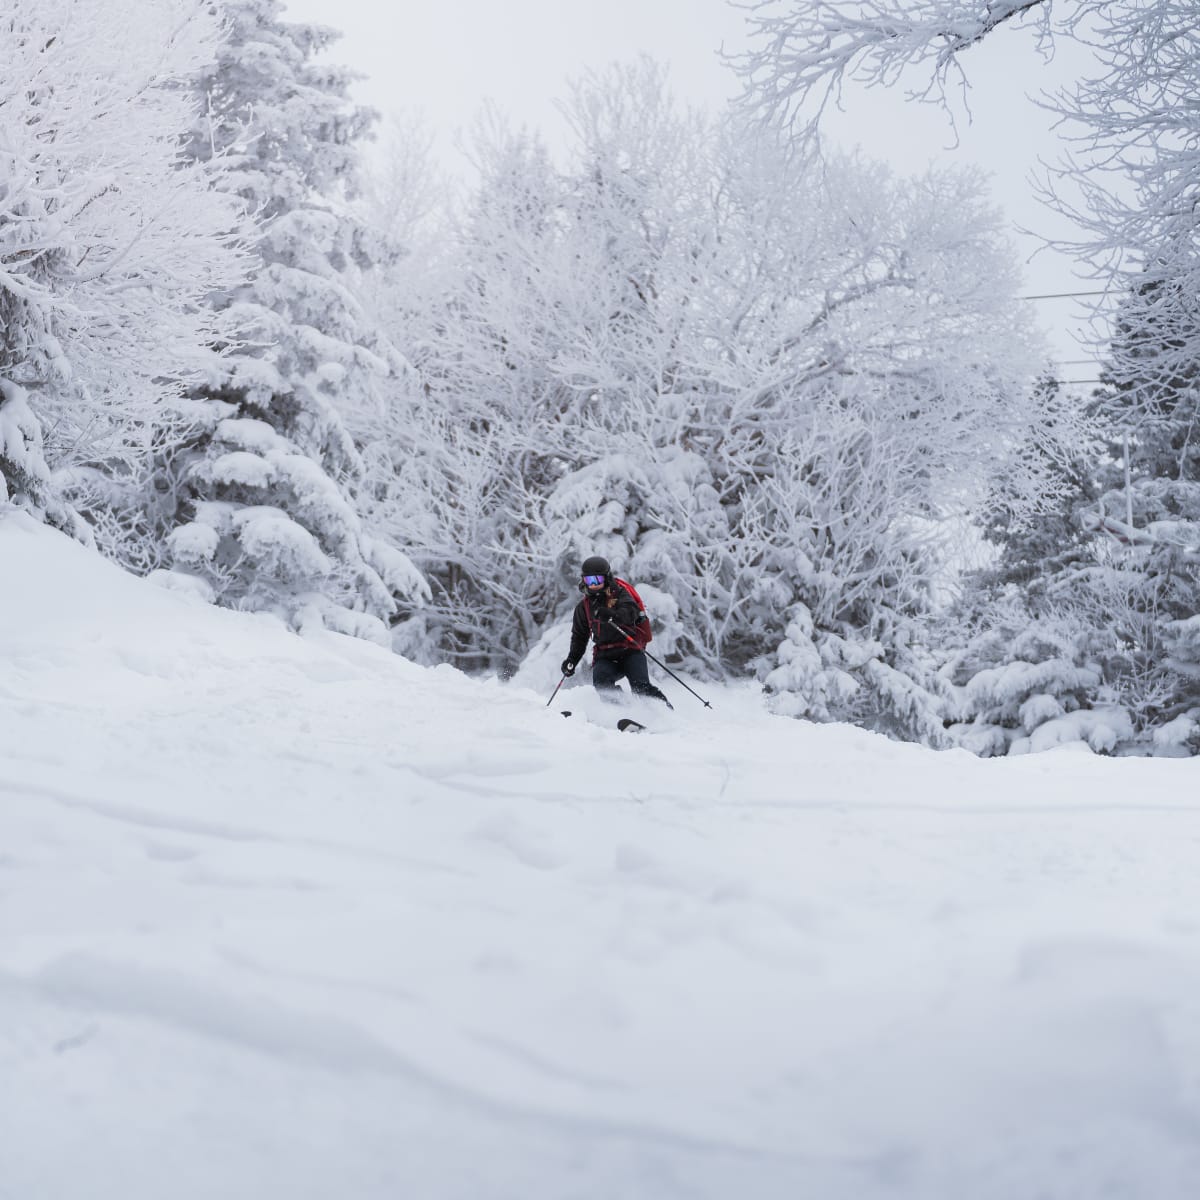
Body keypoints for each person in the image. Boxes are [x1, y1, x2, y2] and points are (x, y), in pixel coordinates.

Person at [560, 555, 672, 707]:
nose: (593, 585)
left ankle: (664, 713)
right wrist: (572, 660)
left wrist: (612, 615)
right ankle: (622, 712)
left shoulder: (620, 594)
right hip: (605, 656)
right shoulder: (584, 607)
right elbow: (580, 637)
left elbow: (630, 611)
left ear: (606, 578)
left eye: (597, 580)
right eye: (589, 580)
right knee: (602, 683)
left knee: (640, 686)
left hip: (630, 651)